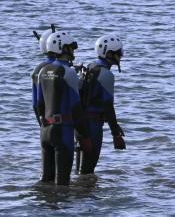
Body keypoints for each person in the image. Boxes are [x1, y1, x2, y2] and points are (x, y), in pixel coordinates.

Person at [37, 31, 91, 185]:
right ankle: (63, 209)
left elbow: (38, 104)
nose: (73, 51)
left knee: (46, 180)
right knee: (63, 183)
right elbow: (75, 107)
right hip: (62, 131)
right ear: (63, 48)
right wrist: (84, 136)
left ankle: (44, 207)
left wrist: (43, 123)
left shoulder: (43, 71)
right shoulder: (69, 72)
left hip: (45, 130)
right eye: (71, 48)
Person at [77, 34, 126, 175]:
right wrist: (115, 134)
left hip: (80, 123)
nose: (121, 56)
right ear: (109, 54)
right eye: (119, 53)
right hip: (93, 126)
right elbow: (108, 106)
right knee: (88, 169)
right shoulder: (106, 75)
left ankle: (77, 192)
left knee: (81, 169)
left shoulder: (91, 67)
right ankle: (87, 195)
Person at [32, 25, 58, 127]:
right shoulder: (62, 68)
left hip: (44, 125)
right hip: (62, 125)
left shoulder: (37, 70)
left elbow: (35, 104)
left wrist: (42, 126)